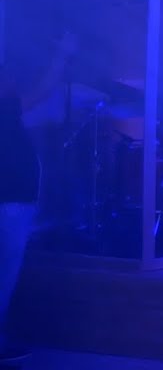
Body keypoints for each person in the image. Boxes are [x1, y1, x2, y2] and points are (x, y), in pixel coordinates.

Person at [1, 31, 77, 362]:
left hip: (14, 201)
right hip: (11, 201)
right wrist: (62, 54)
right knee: (5, 273)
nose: (11, 80)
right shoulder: (6, 107)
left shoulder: (8, 107)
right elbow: (42, 91)